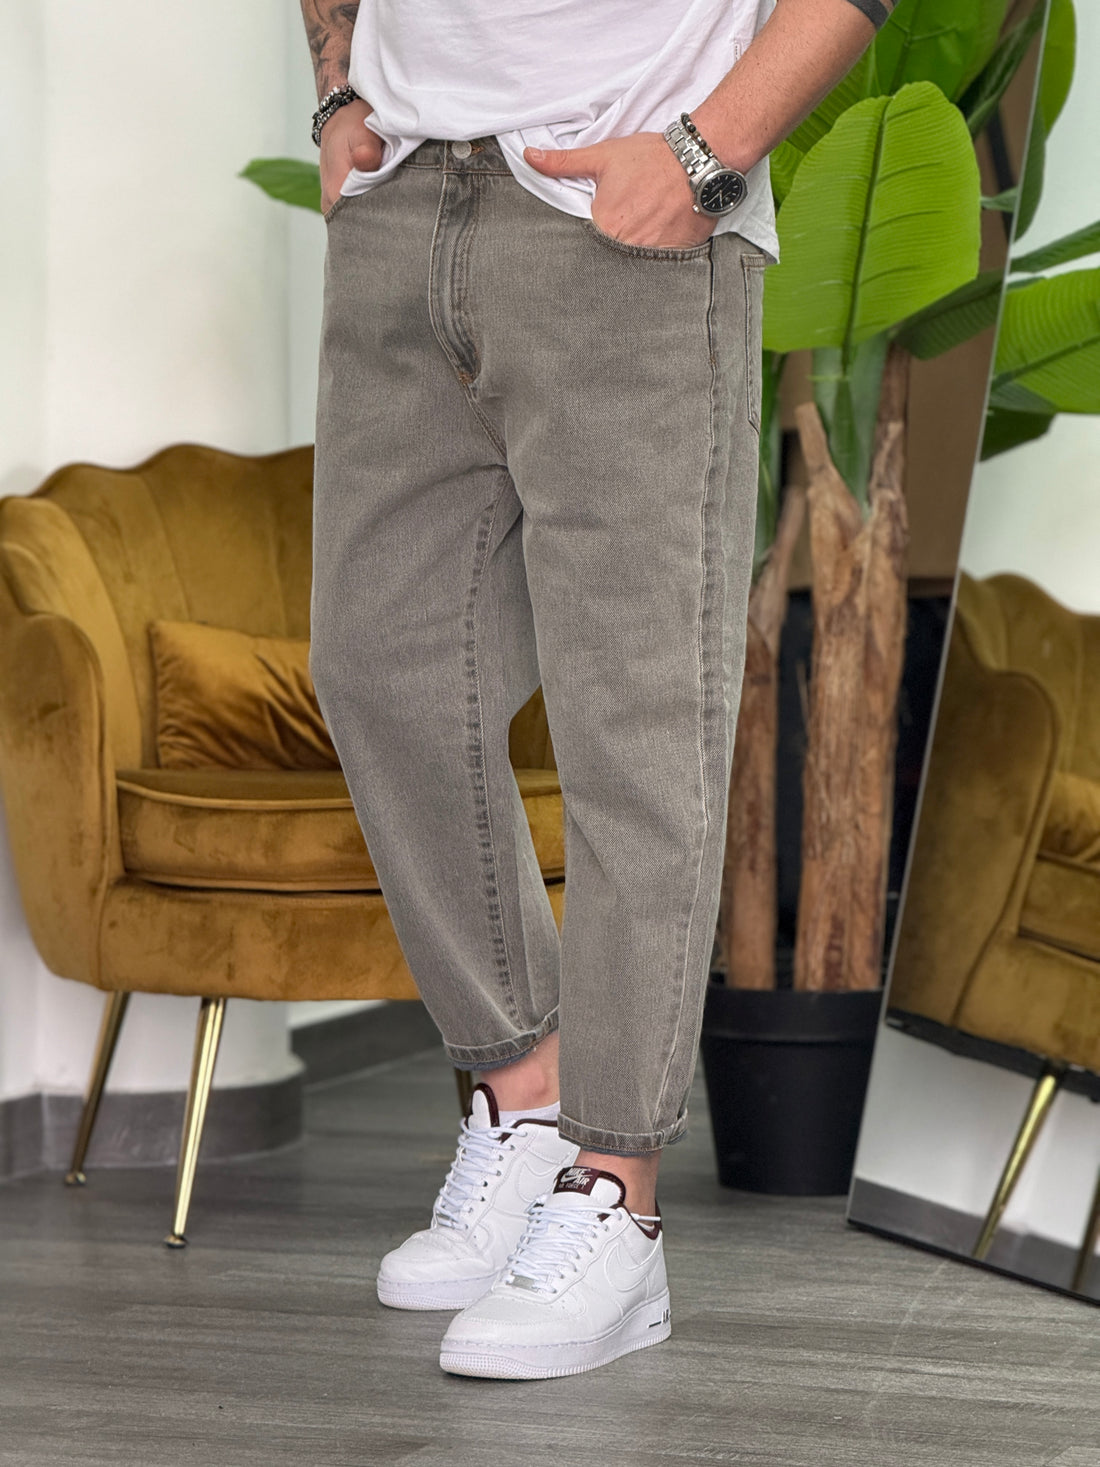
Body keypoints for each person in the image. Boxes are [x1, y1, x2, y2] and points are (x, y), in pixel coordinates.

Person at [301, 0, 894, 1380]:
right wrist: (336, 93)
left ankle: (616, 1198)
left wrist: (702, 156)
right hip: (403, 198)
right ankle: (524, 1096)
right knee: (378, 662)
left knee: (635, 720)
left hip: (621, 208)